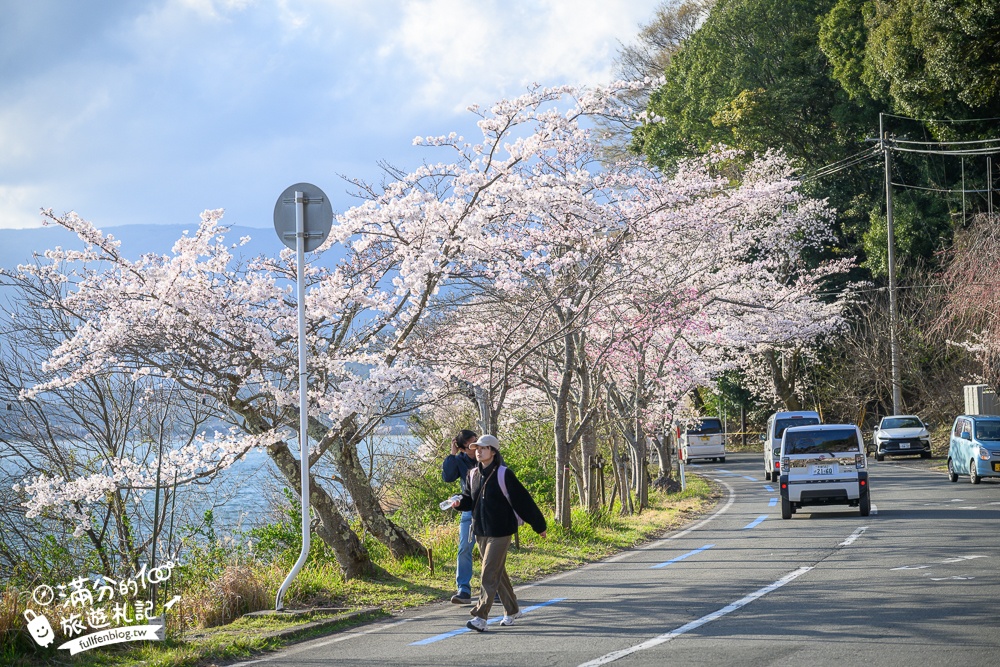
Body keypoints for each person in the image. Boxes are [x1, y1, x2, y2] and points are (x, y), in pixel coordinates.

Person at [453, 434, 547, 632]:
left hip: (501, 532)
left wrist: (539, 525)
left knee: (488, 572)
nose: (478, 451)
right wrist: (459, 503)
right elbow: (470, 500)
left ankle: (480, 617)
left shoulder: (504, 474)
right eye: (476, 448)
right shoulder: (472, 474)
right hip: (480, 531)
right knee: (498, 573)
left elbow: (523, 501)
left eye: (483, 448)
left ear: (493, 452)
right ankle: (512, 610)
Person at [441, 429, 478, 604]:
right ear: (463, 448)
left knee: (491, 552)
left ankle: (496, 589)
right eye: (471, 445)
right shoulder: (460, 459)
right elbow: (447, 477)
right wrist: (452, 453)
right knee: (464, 548)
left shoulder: (488, 455)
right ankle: (463, 590)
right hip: (468, 509)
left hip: (489, 509)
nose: (475, 446)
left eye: (476, 441)